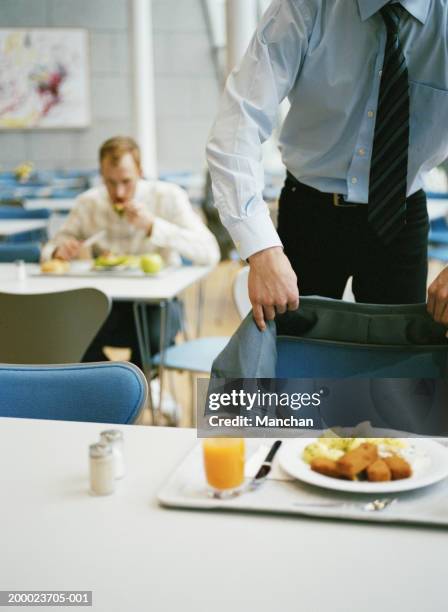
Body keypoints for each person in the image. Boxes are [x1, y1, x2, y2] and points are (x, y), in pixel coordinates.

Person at [207, 0, 448, 331]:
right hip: (310, 214)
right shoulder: (306, 6)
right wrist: (261, 249)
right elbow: (238, 123)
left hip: (400, 217)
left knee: (397, 375)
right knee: (296, 370)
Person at [43, 136, 220, 368]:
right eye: (110, 182)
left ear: (140, 171)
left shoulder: (167, 197)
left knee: (153, 337)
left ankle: (136, 390)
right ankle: (112, 388)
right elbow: (51, 247)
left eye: (126, 181)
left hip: (157, 305)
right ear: (101, 175)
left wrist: (152, 226)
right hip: (104, 303)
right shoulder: (88, 203)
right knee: (66, 333)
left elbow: (210, 252)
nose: (119, 191)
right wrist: (59, 250)